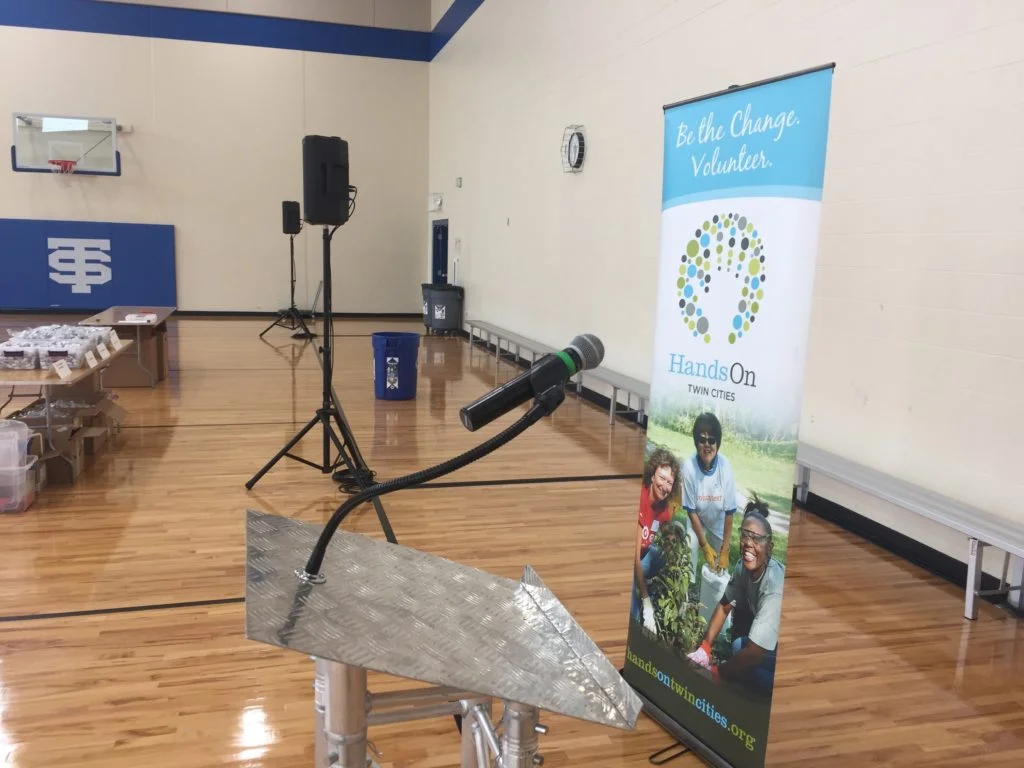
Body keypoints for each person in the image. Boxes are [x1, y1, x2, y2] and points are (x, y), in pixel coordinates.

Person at [686, 503, 783, 696]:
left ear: (769, 548)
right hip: (767, 644)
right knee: (739, 646)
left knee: (752, 669)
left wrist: (715, 674)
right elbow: (724, 606)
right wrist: (704, 650)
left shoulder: (774, 586)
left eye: (757, 539)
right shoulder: (742, 567)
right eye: (745, 535)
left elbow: (755, 653)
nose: (748, 543)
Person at [632, 448, 680, 632]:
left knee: (663, 559)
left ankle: (649, 593)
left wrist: (674, 542)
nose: (665, 486)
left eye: (670, 482)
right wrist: (646, 603)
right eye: (662, 478)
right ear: (652, 476)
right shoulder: (641, 499)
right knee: (635, 616)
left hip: (642, 557)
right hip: (629, 561)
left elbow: (669, 541)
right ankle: (643, 600)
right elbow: (634, 557)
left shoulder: (664, 510)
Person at [682, 412, 737, 573]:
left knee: (722, 567)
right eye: (702, 440)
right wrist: (704, 545)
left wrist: (725, 550)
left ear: (717, 444)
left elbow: (729, 513)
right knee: (689, 547)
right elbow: (691, 511)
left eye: (712, 440)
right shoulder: (689, 467)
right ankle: (686, 588)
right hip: (697, 519)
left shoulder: (725, 466)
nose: (707, 445)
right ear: (696, 443)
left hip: (718, 521)